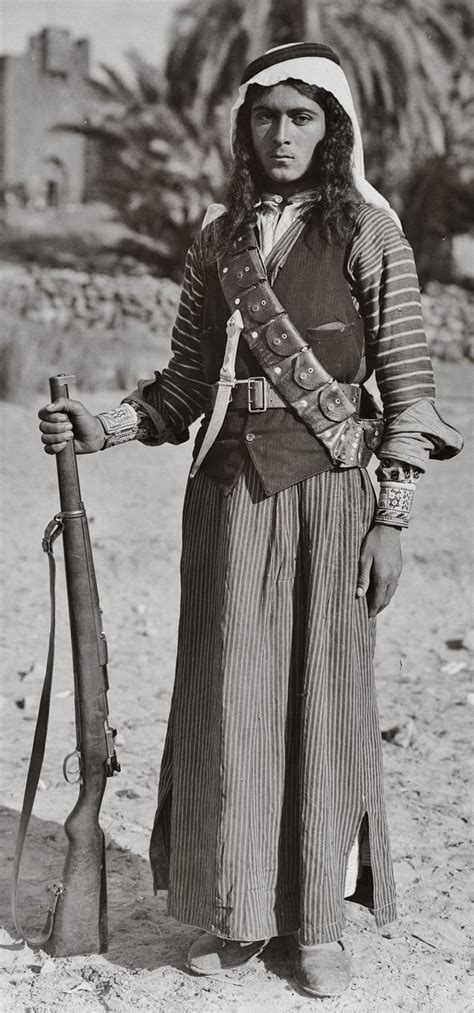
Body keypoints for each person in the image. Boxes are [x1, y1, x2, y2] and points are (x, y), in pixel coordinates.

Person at [38, 42, 462, 999]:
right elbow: (186, 383)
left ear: (332, 127)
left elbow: (409, 393)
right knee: (233, 702)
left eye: (303, 116)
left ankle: (312, 924)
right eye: (268, 116)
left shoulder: (371, 232)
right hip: (226, 499)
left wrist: (390, 519)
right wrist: (98, 425)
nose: (283, 134)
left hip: (329, 496)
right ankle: (237, 911)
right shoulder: (216, 237)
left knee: (324, 698)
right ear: (246, 126)